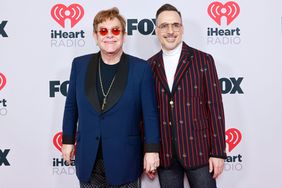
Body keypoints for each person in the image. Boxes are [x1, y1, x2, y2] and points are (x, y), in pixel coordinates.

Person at [61, 7, 160, 188]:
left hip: (125, 159)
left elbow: (150, 114)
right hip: (89, 159)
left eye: (115, 30)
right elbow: (71, 107)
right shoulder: (80, 65)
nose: (109, 36)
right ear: (95, 36)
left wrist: (152, 150)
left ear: (123, 35)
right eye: (103, 31)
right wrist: (67, 141)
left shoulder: (141, 68)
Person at [148, 4, 226, 188]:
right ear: (157, 31)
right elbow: (147, 115)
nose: (170, 31)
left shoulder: (203, 60)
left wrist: (218, 152)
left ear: (182, 29)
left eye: (175, 25)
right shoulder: (149, 66)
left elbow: (215, 108)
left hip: (199, 151)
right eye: (164, 26)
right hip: (165, 156)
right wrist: (148, 152)